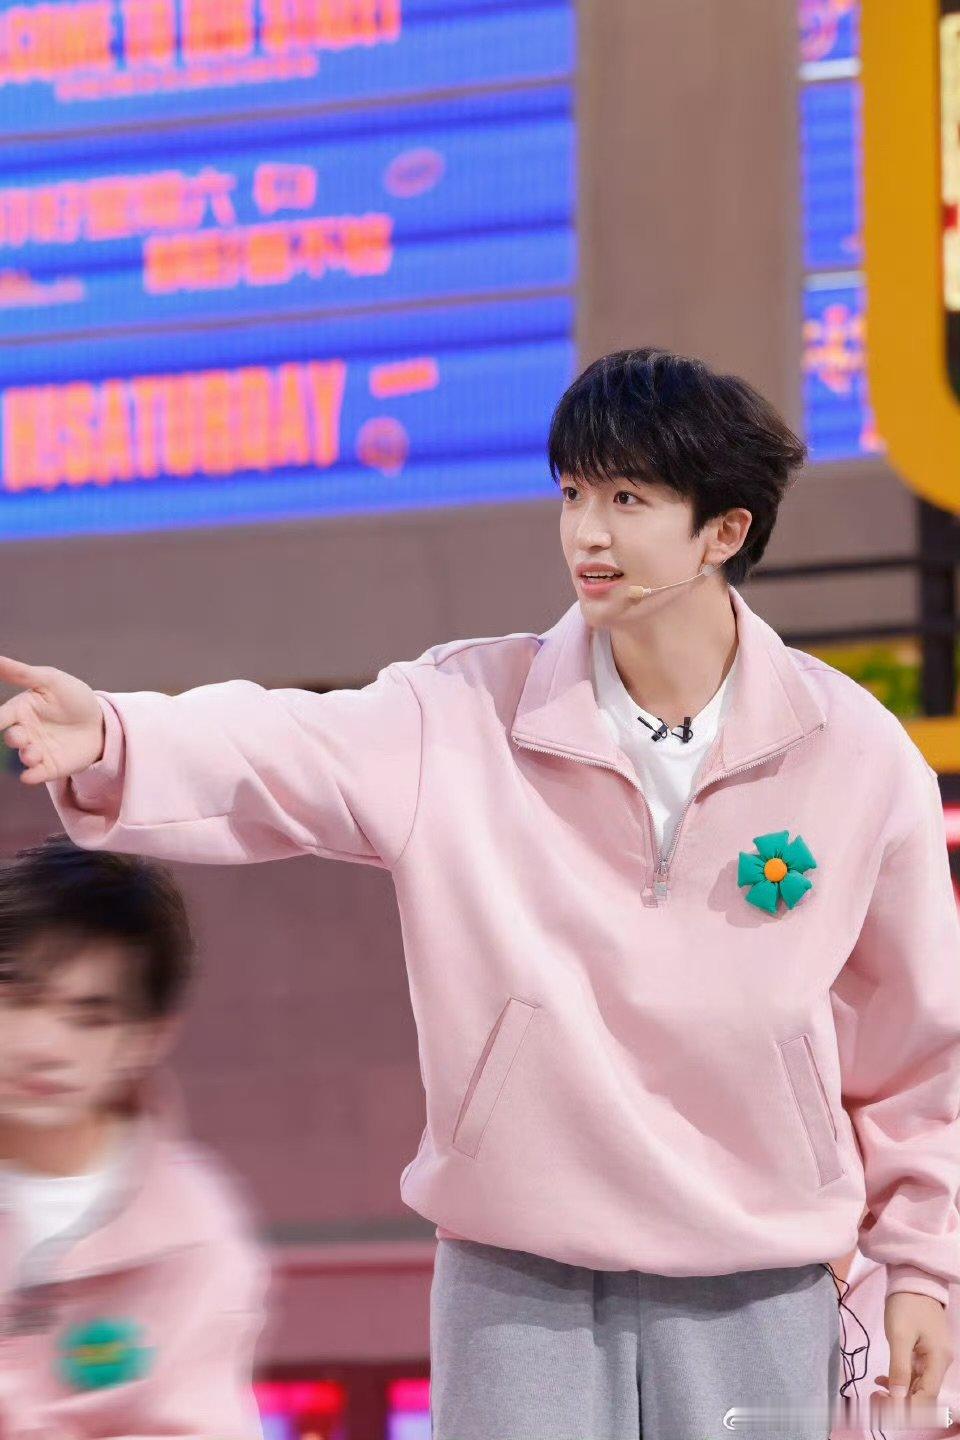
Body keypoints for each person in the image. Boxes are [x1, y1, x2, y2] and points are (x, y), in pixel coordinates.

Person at [0, 346, 957, 1438]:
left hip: (761, 1276)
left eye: (629, 501)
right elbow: (283, 741)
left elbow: (917, 1050)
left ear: (723, 531)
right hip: (516, 1277)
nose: (587, 534)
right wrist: (114, 733)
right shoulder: (460, 712)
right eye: (573, 494)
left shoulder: (856, 756)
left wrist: (922, 1267)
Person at [0, 833, 267, 1438]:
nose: (44, 1046)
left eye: (89, 1017)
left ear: (146, 1038)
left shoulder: (192, 1230)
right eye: (19, 998)